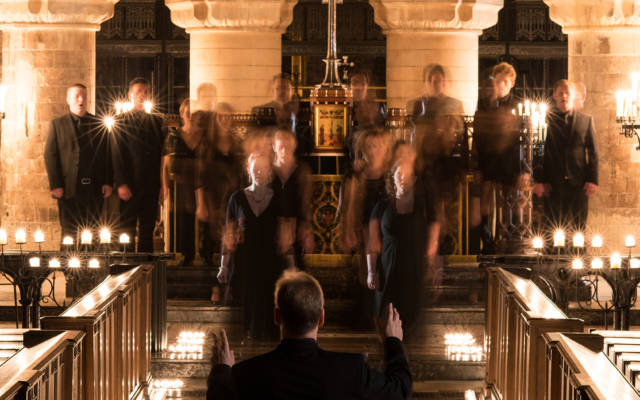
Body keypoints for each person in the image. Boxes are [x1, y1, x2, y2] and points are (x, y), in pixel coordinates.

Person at [207, 270, 412, 400]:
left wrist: (223, 371)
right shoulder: (351, 371)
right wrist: (393, 342)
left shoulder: (247, 374)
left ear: (277, 316)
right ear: (321, 318)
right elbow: (400, 390)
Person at [367, 154, 438, 338]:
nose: (402, 178)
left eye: (407, 175)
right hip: (387, 267)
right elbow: (373, 242)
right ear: (393, 177)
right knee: (385, 314)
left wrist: (433, 267)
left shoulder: (423, 207)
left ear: (414, 179)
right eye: (399, 174)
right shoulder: (382, 206)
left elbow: (433, 239)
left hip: (413, 268)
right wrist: (371, 271)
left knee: (410, 315)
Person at [217, 152, 282, 341]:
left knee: (270, 303)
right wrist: (224, 265)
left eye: (263, 169)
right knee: (248, 304)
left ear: (270, 171)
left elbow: (284, 232)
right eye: (255, 169)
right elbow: (228, 234)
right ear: (249, 171)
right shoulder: (237, 198)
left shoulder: (277, 198)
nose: (259, 172)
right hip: (246, 260)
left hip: (270, 259)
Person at [472, 62, 529, 253]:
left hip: (510, 164)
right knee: (485, 205)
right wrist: (477, 166)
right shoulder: (484, 106)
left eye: (505, 81)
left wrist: (523, 169)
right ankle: (487, 243)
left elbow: (524, 141)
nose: (501, 85)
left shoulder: (519, 107)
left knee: (510, 205)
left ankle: (510, 243)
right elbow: (478, 139)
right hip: (489, 164)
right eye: (498, 81)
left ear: (512, 83)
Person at [44, 83, 112, 244]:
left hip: (94, 188)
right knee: (69, 232)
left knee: (92, 232)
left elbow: (107, 154)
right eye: (77, 96)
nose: (81, 100)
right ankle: (68, 269)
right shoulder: (57, 124)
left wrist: (108, 182)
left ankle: (89, 268)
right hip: (68, 188)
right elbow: (50, 155)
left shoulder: (98, 123)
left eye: (84, 96)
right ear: (68, 100)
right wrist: (55, 185)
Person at [533, 79, 598, 232]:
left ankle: (578, 256)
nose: (564, 96)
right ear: (554, 96)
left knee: (578, 229)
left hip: (579, 183)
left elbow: (593, 152)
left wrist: (593, 179)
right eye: (560, 93)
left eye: (567, 92)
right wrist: (539, 180)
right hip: (553, 184)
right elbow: (538, 151)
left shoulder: (586, 120)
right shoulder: (545, 121)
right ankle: (554, 256)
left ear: (573, 95)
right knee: (553, 228)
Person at [111, 77, 166, 252]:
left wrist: (162, 185)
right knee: (126, 229)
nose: (142, 95)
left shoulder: (157, 122)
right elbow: (117, 154)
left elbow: (160, 156)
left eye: (145, 92)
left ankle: (146, 269)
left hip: (150, 185)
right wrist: (121, 183)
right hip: (129, 184)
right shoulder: (120, 121)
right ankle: (125, 268)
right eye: (138, 92)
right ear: (130, 95)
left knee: (147, 229)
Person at [162, 99, 201, 265]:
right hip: (178, 186)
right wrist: (164, 187)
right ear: (181, 114)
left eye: (193, 113)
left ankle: (199, 255)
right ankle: (181, 255)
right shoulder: (173, 137)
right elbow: (164, 164)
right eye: (187, 112)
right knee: (180, 221)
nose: (190, 116)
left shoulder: (203, 136)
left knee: (198, 220)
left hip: (198, 184)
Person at [272, 129, 313, 270]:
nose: (284, 150)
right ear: (274, 147)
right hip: (272, 225)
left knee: (295, 270)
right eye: (281, 146)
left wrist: (306, 227)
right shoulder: (268, 170)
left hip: (295, 227)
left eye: (288, 146)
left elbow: (306, 202)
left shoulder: (301, 171)